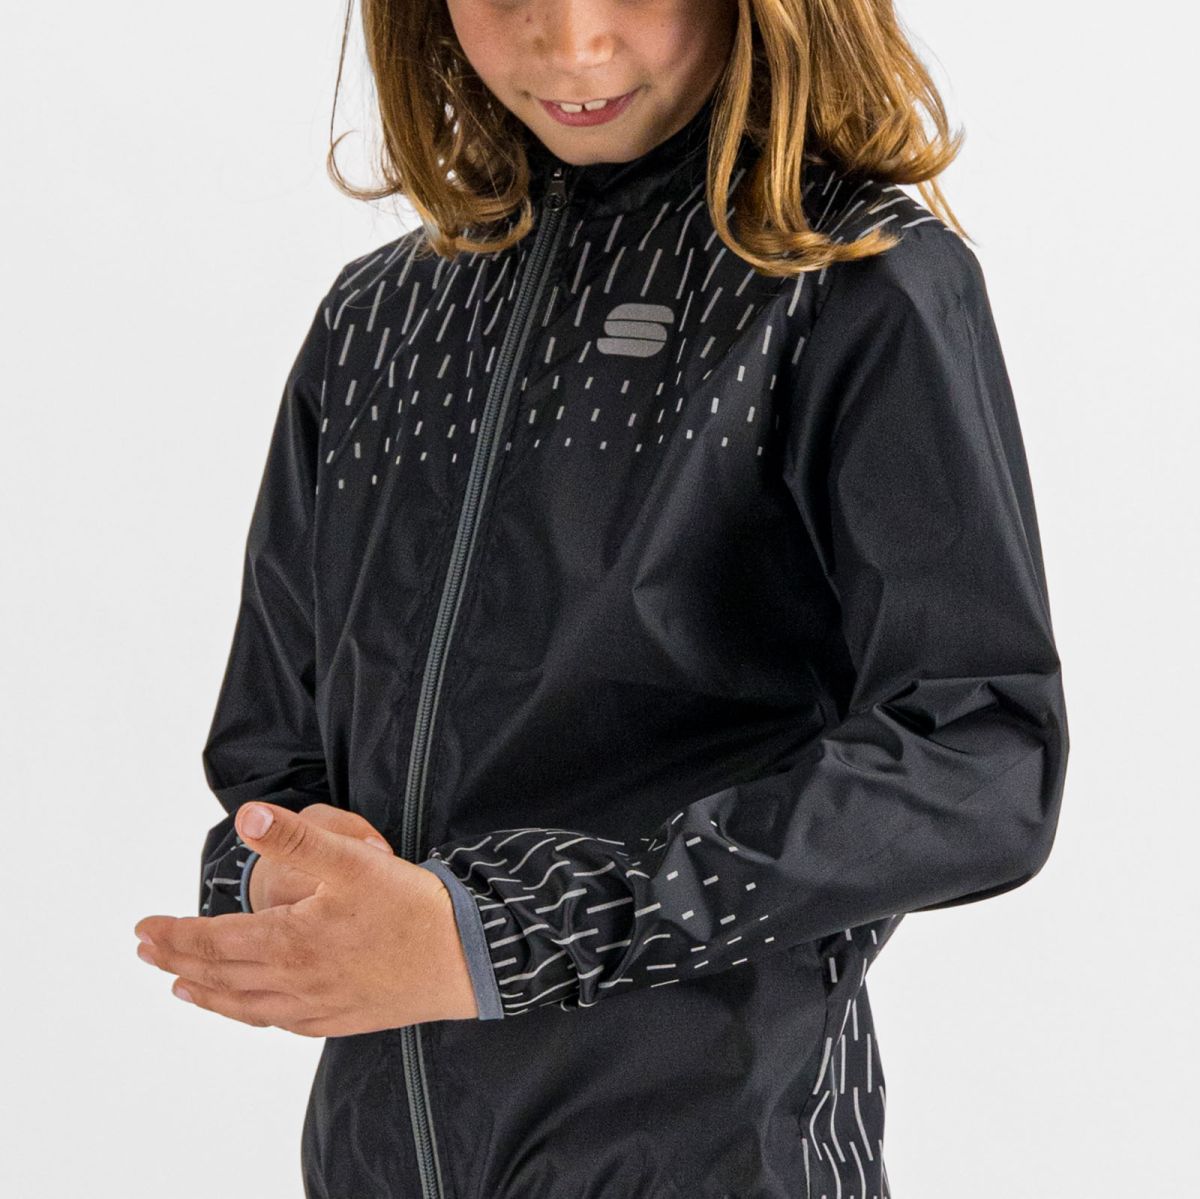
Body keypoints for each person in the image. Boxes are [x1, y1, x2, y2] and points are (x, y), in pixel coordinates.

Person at [133, 1, 1071, 1195]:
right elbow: (272, 760)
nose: (572, 42)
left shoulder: (849, 282)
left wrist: (499, 934)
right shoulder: (377, 322)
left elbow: (980, 754)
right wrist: (279, 876)